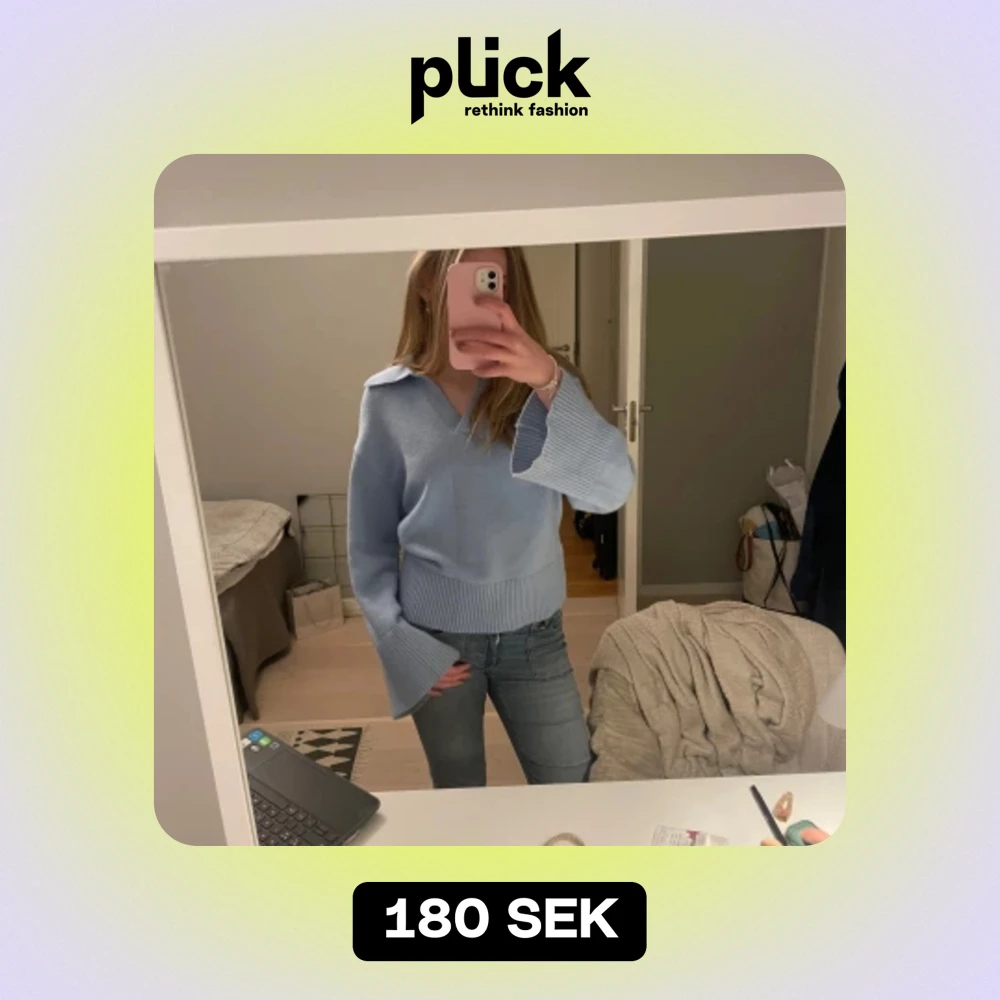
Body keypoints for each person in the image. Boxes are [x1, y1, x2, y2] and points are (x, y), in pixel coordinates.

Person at [347, 247, 635, 788]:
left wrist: (547, 380)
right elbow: (369, 539)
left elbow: (611, 493)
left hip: (535, 635)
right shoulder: (388, 399)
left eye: (492, 277)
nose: (479, 292)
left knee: (571, 788)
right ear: (428, 283)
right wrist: (396, 639)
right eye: (462, 273)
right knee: (459, 793)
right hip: (436, 637)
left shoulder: (546, 383)